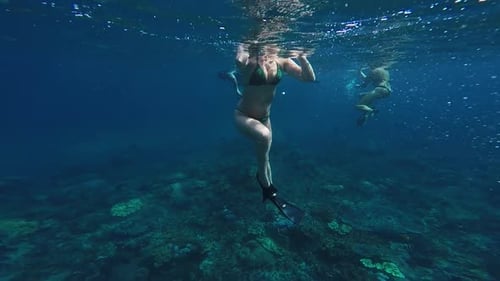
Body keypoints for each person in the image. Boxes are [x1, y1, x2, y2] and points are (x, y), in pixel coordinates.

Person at [221, 42, 316, 223]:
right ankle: (267, 186)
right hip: (243, 115)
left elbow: (308, 78)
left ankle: (270, 191)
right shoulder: (249, 61)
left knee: (264, 158)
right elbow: (239, 60)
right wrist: (244, 44)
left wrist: (303, 58)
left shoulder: (282, 61)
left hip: (265, 118)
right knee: (264, 136)